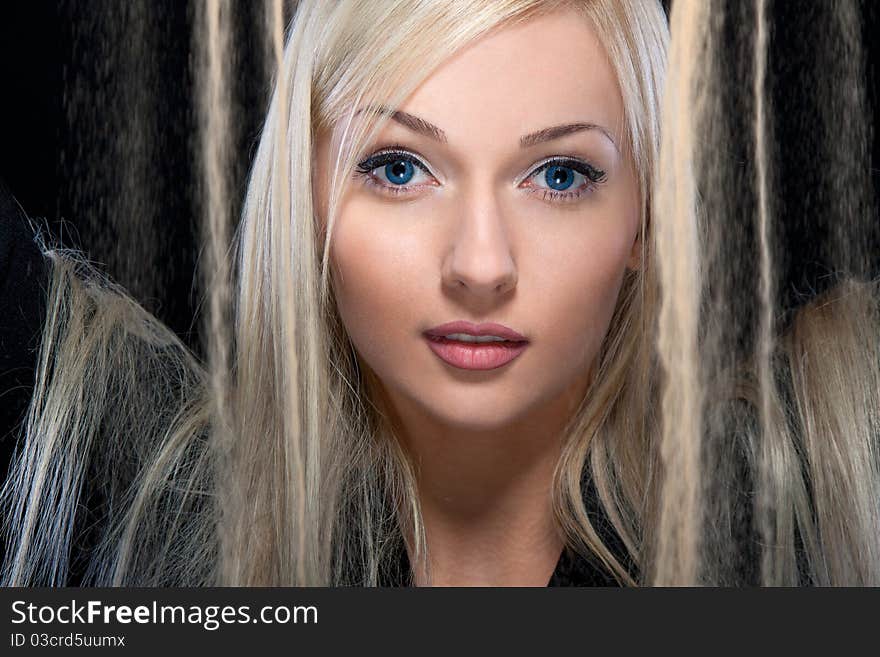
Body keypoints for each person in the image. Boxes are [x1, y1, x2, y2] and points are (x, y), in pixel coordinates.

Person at [1, 0, 878, 587]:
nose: (481, 264)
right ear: (304, 200)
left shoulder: (791, 525)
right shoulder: (155, 514)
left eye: (562, 174)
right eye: (397, 167)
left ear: (646, 223)